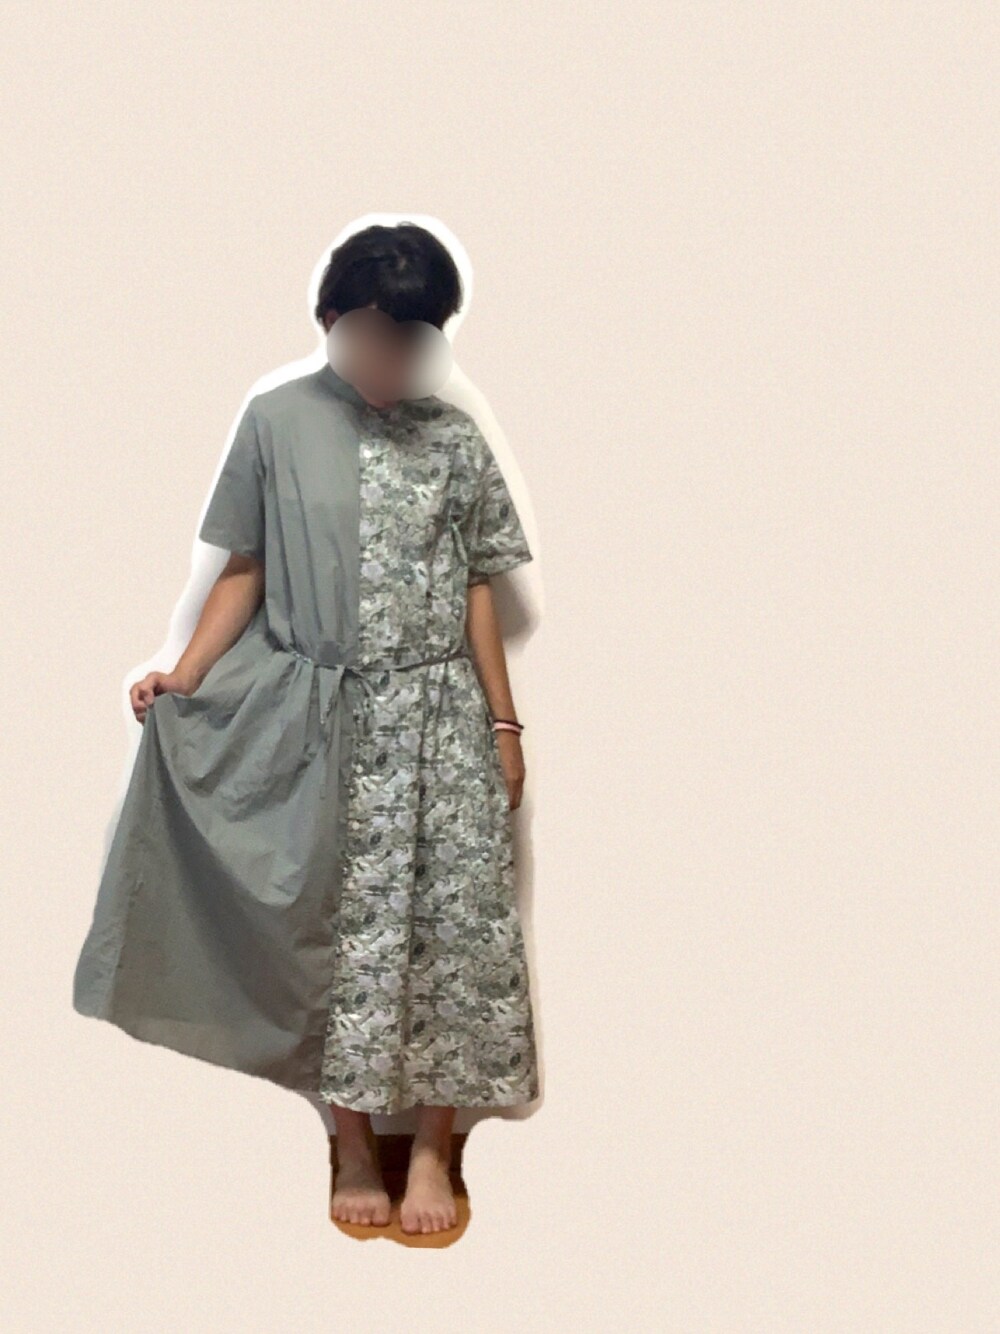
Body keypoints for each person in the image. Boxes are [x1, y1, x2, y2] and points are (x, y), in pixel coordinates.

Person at [71, 221, 539, 1235]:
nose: (389, 356)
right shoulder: (275, 420)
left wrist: (503, 722)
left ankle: (433, 1146)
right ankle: (353, 1139)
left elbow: (476, 585)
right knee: (336, 939)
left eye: (411, 339)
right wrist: (183, 673)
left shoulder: (454, 439)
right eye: (371, 332)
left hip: (442, 723)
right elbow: (244, 566)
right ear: (330, 318)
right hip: (326, 723)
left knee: (455, 937)